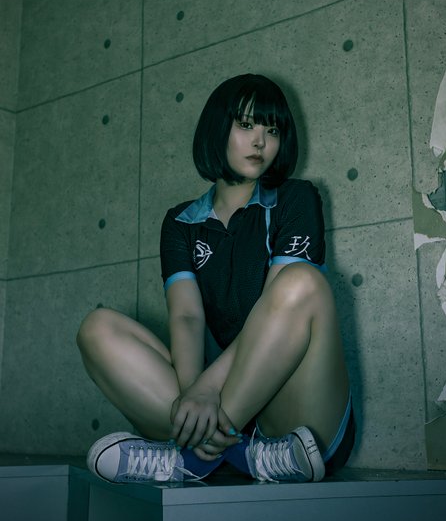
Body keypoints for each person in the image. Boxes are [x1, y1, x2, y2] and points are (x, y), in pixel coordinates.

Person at [77, 73, 354, 485]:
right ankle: (222, 450)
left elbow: (277, 310)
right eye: (246, 125)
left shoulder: (297, 198)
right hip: (224, 406)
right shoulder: (180, 222)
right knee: (96, 328)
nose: (260, 141)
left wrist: (210, 391)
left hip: (297, 422)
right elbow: (187, 317)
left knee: (301, 282)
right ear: (217, 128)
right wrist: (194, 396)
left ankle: (188, 459)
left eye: (272, 130)